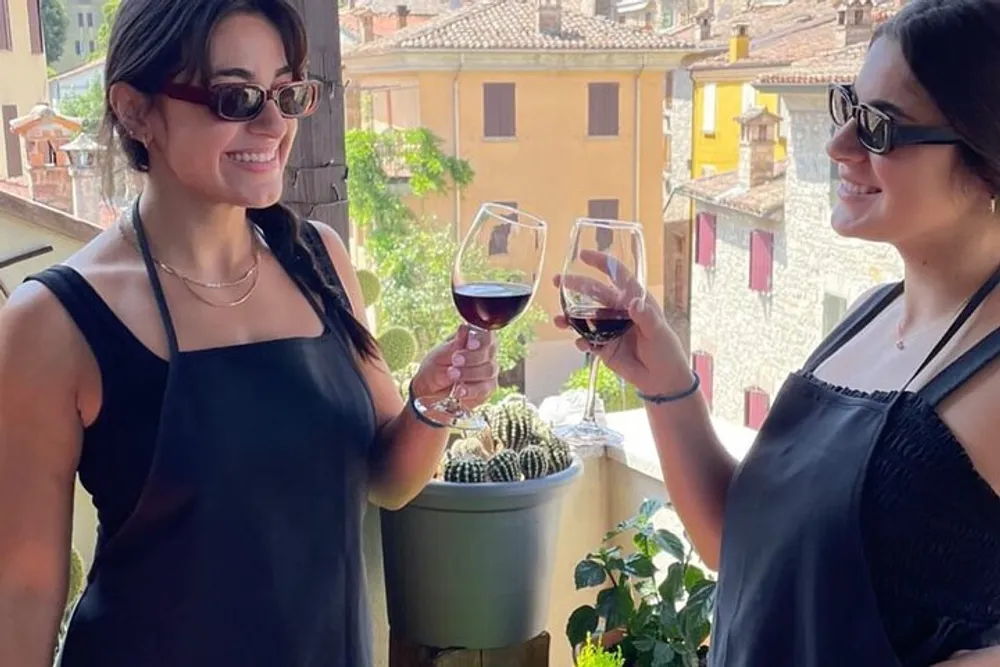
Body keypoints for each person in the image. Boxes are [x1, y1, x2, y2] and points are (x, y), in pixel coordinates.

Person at [0, 1, 498, 665]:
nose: (274, 124)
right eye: (235, 97)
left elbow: (387, 479)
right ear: (135, 110)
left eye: (288, 93)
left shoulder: (319, 259)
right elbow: (21, 594)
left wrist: (433, 403)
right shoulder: (53, 323)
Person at [556, 1, 1000, 665]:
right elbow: (742, 550)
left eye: (880, 127)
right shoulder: (868, 315)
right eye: (848, 105)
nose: (839, 146)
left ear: (985, 154)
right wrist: (668, 382)